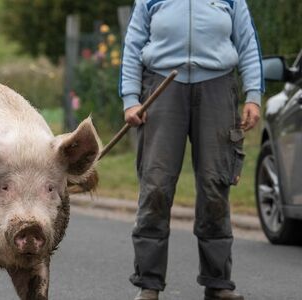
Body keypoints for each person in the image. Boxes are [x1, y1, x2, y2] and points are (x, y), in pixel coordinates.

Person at [120, 0, 262, 299]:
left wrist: (253, 95)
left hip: (218, 86)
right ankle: (149, 283)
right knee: (156, 187)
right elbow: (133, 45)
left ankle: (218, 283)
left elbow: (248, 42)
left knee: (215, 185)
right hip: (161, 88)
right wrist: (131, 98)